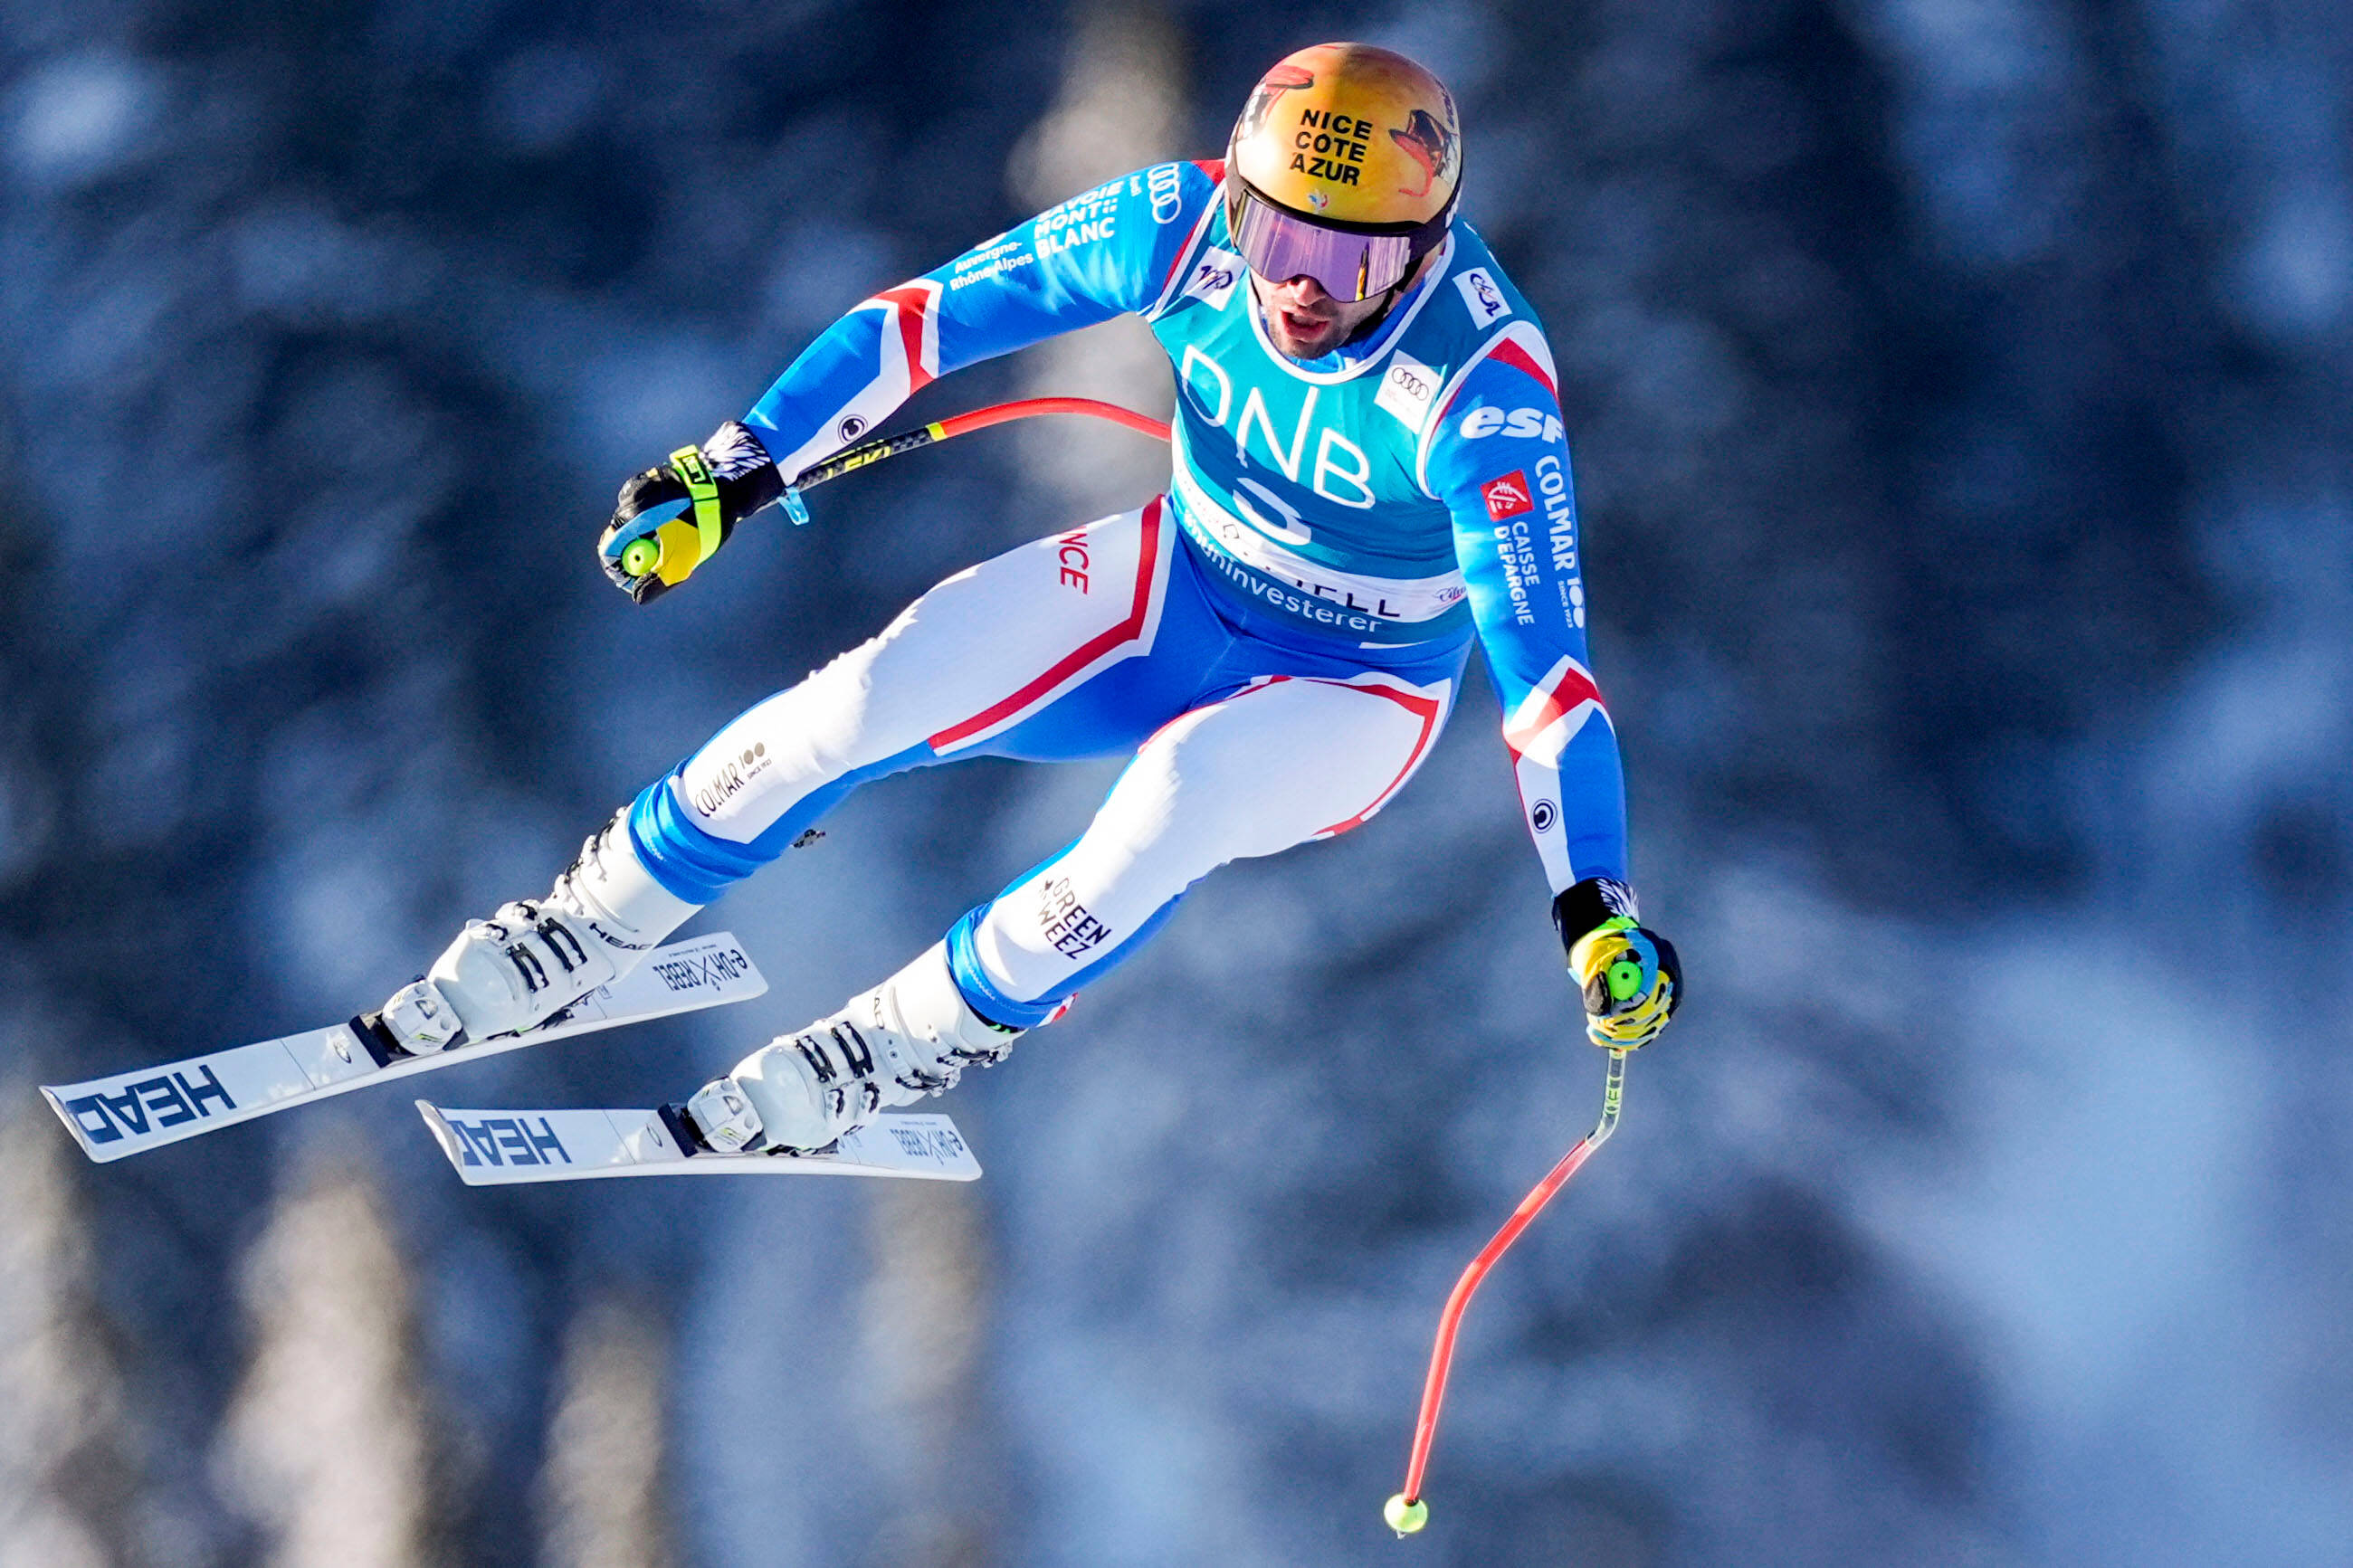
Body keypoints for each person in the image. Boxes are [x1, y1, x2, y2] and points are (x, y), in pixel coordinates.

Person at [375, 42, 1682, 1155]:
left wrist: (1593, 909)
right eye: (1279, 233)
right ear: (1236, 193)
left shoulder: (1480, 388)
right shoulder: (1179, 226)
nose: (1298, 286)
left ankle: (895, 1046)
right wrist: (734, 471)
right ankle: (585, 927)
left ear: (1424, 252)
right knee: (868, 694)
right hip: (1180, 585)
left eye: (1348, 266)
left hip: (1355, 694)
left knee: (1176, 803)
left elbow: (1549, 689)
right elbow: (920, 322)